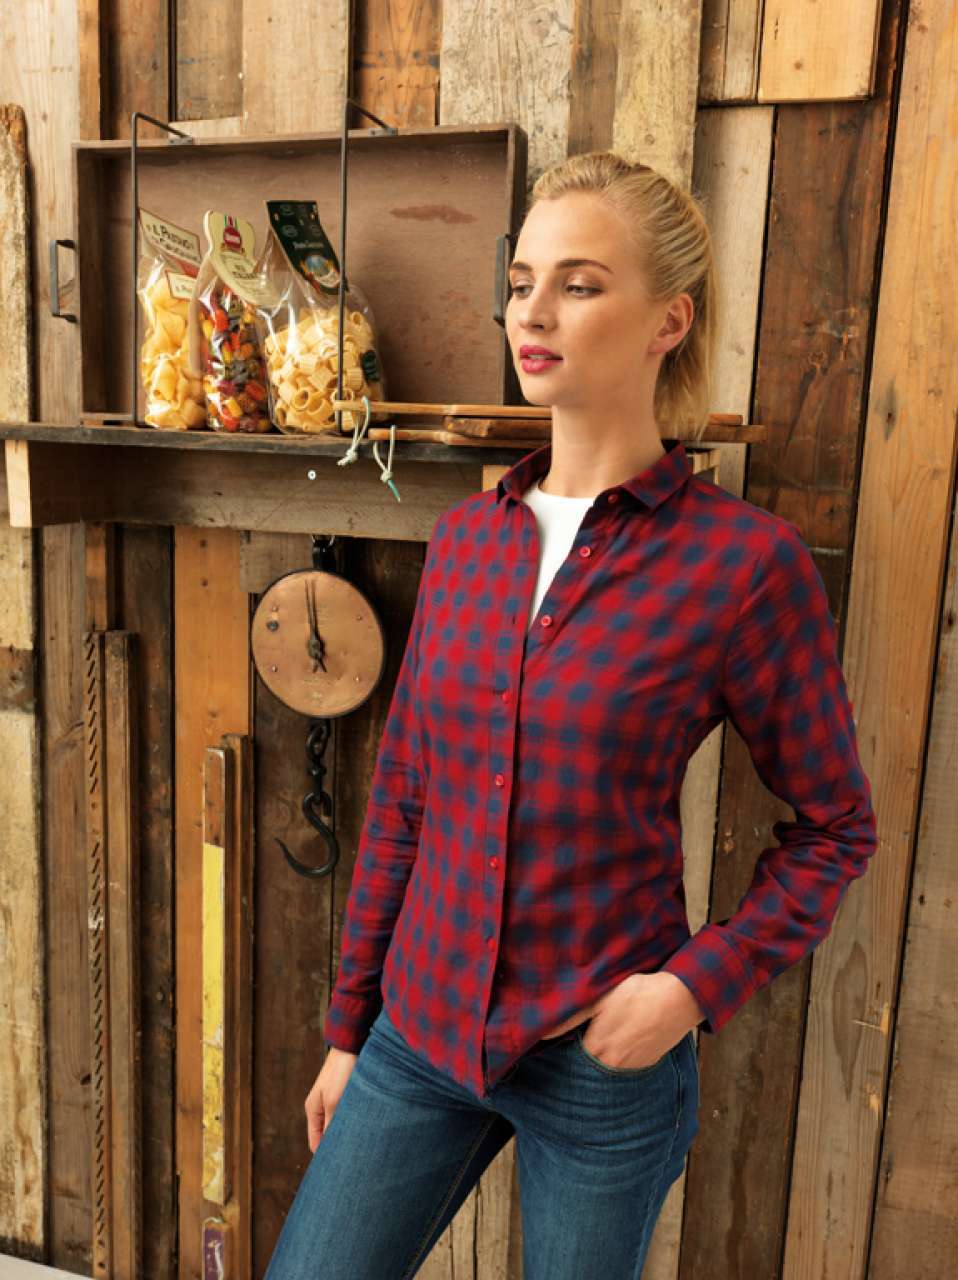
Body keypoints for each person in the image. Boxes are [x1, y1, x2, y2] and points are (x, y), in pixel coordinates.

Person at [264, 151, 878, 1279]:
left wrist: (690, 987)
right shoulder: (465, 542)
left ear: (667, 321)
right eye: (521, 283)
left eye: (579, 284)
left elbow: (836, 826)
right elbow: (402, 801)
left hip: (603, 1061)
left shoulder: (741, 565)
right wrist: (350, 1030)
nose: (532, 313)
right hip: (420, 1031)